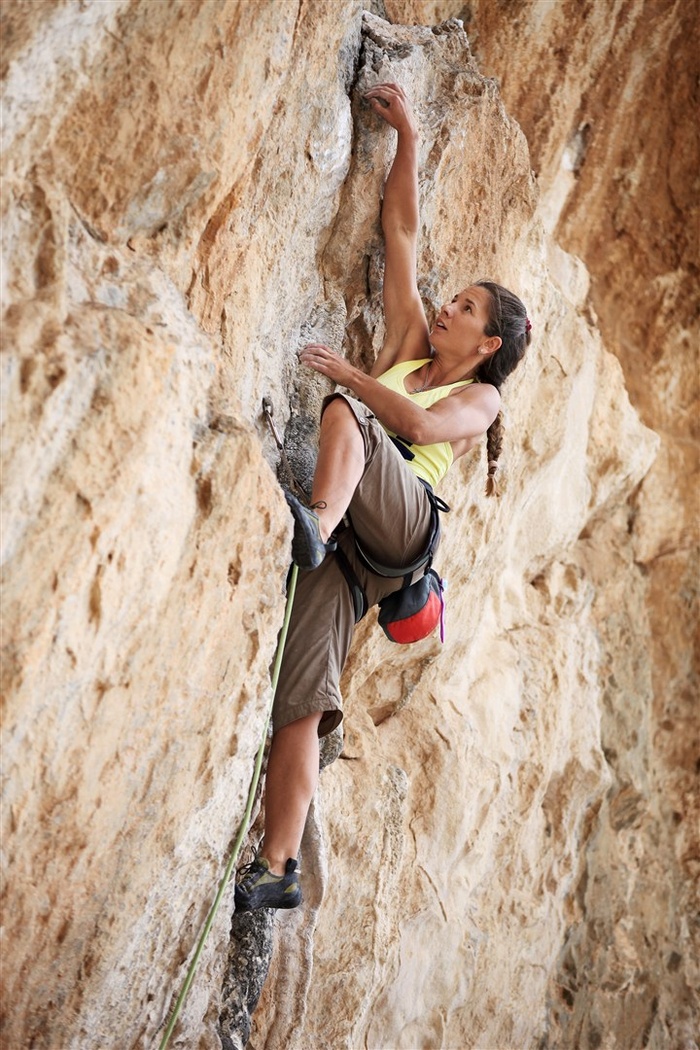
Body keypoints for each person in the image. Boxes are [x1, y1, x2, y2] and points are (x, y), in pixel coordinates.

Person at [235, 82, 531, 911]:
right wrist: (410, 137)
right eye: (453, 300)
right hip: (355, 539)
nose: (445, 307)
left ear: (488, 343)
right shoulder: (409, 343)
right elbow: (401, 229)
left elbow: (418, 429)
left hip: (399, 532)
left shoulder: (483, 400)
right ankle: (279, 867)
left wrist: (354, 379)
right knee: (303, 692)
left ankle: (315, 525)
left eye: (464, 308)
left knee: (353, 414)